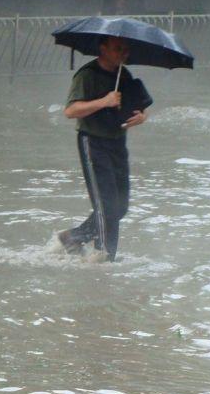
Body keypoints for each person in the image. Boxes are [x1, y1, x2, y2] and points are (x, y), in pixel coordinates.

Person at [58, 36, 149, 261]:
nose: (123, 53)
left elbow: (132, 106)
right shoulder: (87, 75)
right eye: (118, 48)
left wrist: (141, 116)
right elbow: (70, 111)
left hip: (117, 142)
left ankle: (73, 236)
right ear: (103, 49)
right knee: (106, 207)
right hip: (93, 142)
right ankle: (104, 258)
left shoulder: (124, 75)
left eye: (126, 49)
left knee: (120, 207)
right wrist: (103, 101)